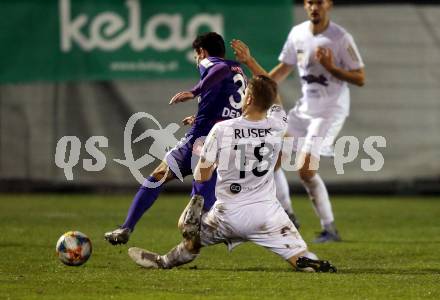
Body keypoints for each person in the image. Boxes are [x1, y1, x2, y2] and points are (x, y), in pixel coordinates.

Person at [127, 75, 337, 272]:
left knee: (188, 231)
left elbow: (203, 174)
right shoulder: (278, 125)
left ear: (249, 98)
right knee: (300, 255)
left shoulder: (222, 129)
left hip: (227, 215)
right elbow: (276, 108)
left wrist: (203, 186)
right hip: (267, 215)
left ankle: (165, 261)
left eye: (246, 93)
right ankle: (308, 262)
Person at [231, 0, 365, 243]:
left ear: (329, 5)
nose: (315, 7)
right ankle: (289, 216)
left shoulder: (340, 38)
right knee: (270, 162)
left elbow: (360, 77)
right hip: (304, 110)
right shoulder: (298, 33)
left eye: (320, 2)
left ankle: (329, 228)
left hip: (330, 111)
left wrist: (331, 67)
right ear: (305, 5)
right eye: (310, 2)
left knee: (305, 170)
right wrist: (250, 63)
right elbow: (279, 74)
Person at [104, 32, 247, 245]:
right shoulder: (239, 70)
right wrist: (201, 115)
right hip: (224, 139)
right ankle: (128, 229)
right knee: (196, 197)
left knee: (167, 183)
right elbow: (232, 105)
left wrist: (194, 91)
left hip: (204, 138)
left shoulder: (214, 64)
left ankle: (129, 228)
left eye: (197, 55)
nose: (197, 60)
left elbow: (218, 70)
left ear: (202, 51)